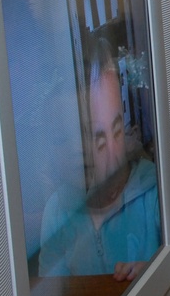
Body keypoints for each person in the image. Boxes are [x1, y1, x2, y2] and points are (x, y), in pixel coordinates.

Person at [39, 37, 162, 280]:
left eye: (108, 134)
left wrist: (153, 272)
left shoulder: (154, 194)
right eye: (64, 139)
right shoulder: (57, 211)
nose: (80, 150)